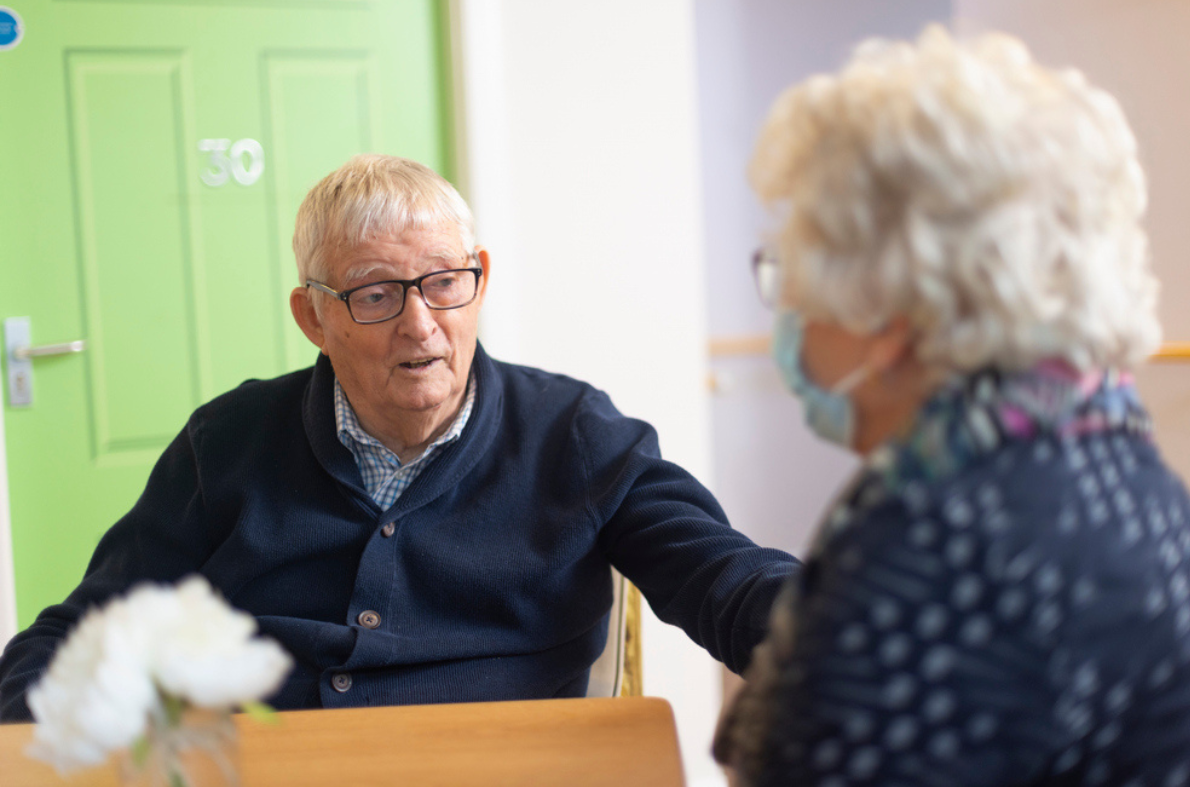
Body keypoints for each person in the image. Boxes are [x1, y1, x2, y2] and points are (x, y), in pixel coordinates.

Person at [0, 154, 797, 721]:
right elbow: (85, 634)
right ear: (314, 316)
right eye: (376, 293)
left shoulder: (575, 433)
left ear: (478, 277)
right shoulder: (229, 441)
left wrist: (852, 624)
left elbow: (722, 577)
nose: (423, 325)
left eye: (445, 283)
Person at [714, 25, 1190, 786]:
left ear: (890, 313)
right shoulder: (1132, 476)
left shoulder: (941, 544)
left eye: (795, 273)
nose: (789, 315)